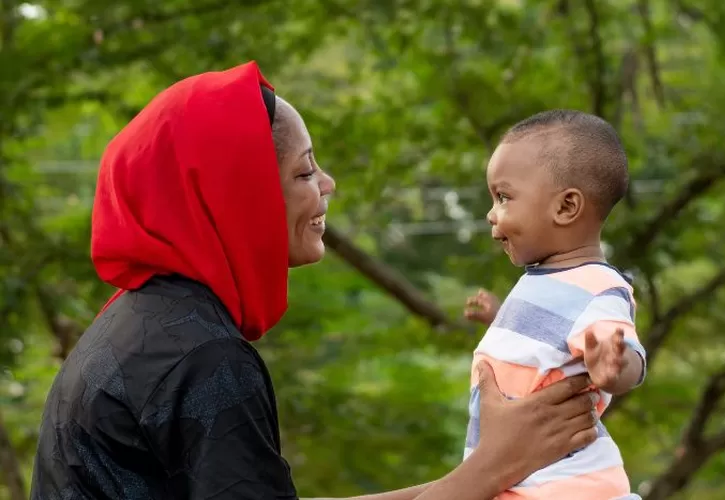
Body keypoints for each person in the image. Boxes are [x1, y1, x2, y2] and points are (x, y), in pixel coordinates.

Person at [30, 62, 600, 500]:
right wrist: (493, 469)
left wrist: (482, 470)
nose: (327, 184)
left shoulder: (145, 326)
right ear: (238, 196)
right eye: (303, 170)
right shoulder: (201, 358)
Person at [462, 110, 647, 499]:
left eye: (504, 197)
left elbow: (625, 349)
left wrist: (614, 367)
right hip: (518, 479)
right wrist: (501, 320)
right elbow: (547, 342)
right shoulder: (544, 279)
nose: (491, 213)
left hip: (564, 486)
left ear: (565, 208)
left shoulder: (597, 285)